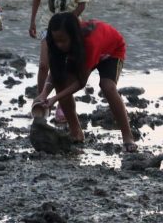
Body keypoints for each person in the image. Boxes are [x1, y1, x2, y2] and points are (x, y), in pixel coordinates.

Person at [34, 13, 137, 152]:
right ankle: (76, 132)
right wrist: (43, 94)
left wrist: (54, 99)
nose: (59, 45)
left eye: (63, 41)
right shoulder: (57, 44)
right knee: (61, 82)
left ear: (73, 36)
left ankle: (127, 136)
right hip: (83, 53)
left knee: (107, 86)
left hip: (111, 51)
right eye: (56, 41)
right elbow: (56, 72)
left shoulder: (89, 43)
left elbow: (81, 82)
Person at [29, 0, 91, 124]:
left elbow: (82, 3)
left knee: (64, 68)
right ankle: (41, 101)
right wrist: (32, 21)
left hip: (70, 29)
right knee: (44, 65)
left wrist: (70, 21)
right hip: (48, 23)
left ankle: (62, 105)